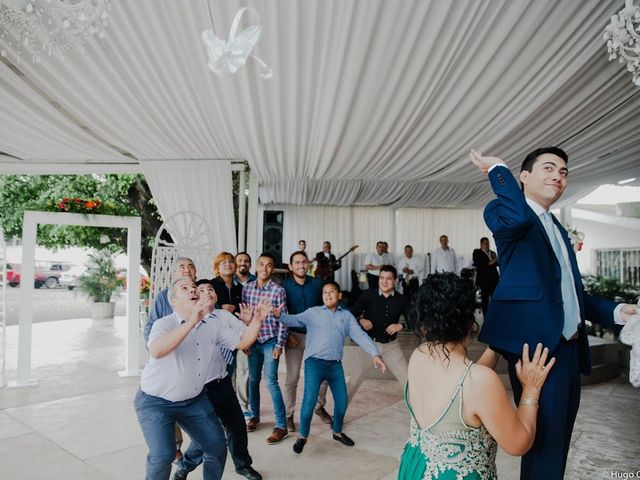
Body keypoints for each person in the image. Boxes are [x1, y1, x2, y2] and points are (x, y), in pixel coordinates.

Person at [469, 148, 638, 479]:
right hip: (538, 352)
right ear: (524, 177)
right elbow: (518, 216)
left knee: (557, 441)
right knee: (543, 442)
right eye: (549, 168)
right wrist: (497, 169)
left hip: (570, 349)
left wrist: (618, 311)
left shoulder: (558, 229)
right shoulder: (503, 211)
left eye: (564, 172)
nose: (559, 176)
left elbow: (572, 295)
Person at [398, 273, 556, 480]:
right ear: (469, 321)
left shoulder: (420, 355)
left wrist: (495, 348)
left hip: (416, 466)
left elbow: (461, 386)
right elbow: (518, 443)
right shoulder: (480, 381)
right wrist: (531, 389)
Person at [134, 277, 266, 480]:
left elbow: (243, 341)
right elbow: (157, 350)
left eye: (194, 287)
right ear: (174, 302)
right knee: (163, 455)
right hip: (155, 402)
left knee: (216, 447)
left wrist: (256, 321)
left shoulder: (212, 325)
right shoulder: (165, 324)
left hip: (193, 400)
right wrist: (191, 322)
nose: (193, 290)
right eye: (184, 288)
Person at [273, 281, 387, 454]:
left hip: (334, 366)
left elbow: (361, 336)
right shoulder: (314, 313)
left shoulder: (346, 316)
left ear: (339, 295)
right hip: (314, 364)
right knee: (309, 401)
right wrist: (279, 315)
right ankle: (302, 436)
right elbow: (293, 319)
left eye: (332, 291)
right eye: (325, 292)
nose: (327, 295)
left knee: (342, 401)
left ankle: (337, 432)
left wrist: (375, 354)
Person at [173, 280, 262, 480]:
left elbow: (244, 337)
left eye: (210, 289)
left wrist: (249, 322)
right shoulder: (188, 321)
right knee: (208, 435)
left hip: (222, 383)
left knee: (237, 426)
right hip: (200, 390)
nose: (207, 293)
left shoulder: (222, 316)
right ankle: (185, 466)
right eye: (201, 290)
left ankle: (242, 464)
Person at [143, 257, 197, 461]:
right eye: (181, 267)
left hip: (193, 362)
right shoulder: (164, 297)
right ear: (174, 275)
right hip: (167, 359)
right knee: (169, 400)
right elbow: (151, 326)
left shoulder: (199, 294)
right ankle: (174, 446)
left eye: (190, 267)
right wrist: (154, 350)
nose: (186, 270)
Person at [242, 252, 290, 444]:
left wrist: (279, 344)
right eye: (261, 264)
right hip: (253, 341)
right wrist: (245, 340)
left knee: (271, 381)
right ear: (256, 267)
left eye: (269, 265)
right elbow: (245, 316)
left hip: (271, 341)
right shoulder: (247, 288)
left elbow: (283, 320)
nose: (264, 268)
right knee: (253, 380)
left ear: (273, 269)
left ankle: (281, 426)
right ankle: (254, 416)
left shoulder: (278, 291)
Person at [281, 251, 332, 430]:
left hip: (316, 337)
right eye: (297, 263)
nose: (301, 266)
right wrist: (287, 334)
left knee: (322, 377)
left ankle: (319, 407)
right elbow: (281, 313)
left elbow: (329, 306)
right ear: (290, 266)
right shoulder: (284, 286)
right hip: (293, 337)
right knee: (292, 378)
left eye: (304, 262)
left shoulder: (318, 284)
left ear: (308, 265)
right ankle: (288, 415)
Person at [346, 265, 409, 401]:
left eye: (388, 278)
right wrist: (361, 319)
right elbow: (350, 316)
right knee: (353, 382)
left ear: (395, 280)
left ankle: (419, 419)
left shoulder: (401, 299)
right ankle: (337, 417)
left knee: (408, 383)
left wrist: (401, 325)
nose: (384, 281)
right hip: (369, 346)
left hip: (392, 347)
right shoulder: (367, 295)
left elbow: (415, 320)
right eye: (382, 278)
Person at [234, 251, 256, 418]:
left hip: (247, 332)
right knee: (228, 372)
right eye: (240, 260)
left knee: (244, 371)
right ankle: (231, 405)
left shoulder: (256, 282)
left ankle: (243, 405)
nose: (243, 263)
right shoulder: (228, 281)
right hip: (227, 333)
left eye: (246, 261)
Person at [472, 237, 499, 315]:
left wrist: (494, 261)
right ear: (481, 244)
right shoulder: (477, 252)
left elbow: (497, 263)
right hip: (484, 281)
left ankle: (495, 315)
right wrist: (492, 262)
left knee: (495, 298)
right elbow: (480, 264)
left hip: (494, 280)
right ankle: (486, 317)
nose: (488, 245)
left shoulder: (492, 253)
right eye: (486, 243)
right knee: (485, 300)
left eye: (488, 243)